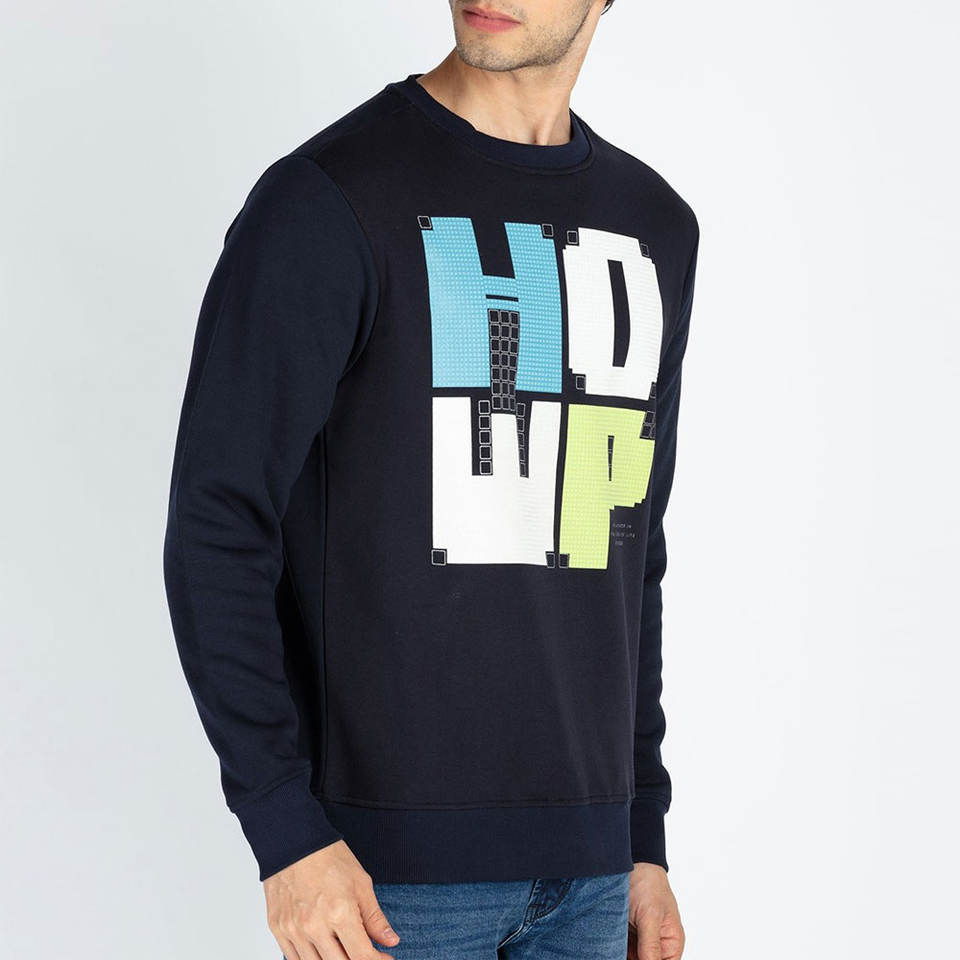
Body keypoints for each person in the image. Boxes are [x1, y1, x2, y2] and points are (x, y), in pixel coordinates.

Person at [162, 1, 699, 957]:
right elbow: (217, 524)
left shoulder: (653, 226)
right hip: (388, 878)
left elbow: (630, 544)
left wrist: (641, 834)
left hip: (594, 873)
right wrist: (285, 829)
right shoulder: (330, 197)